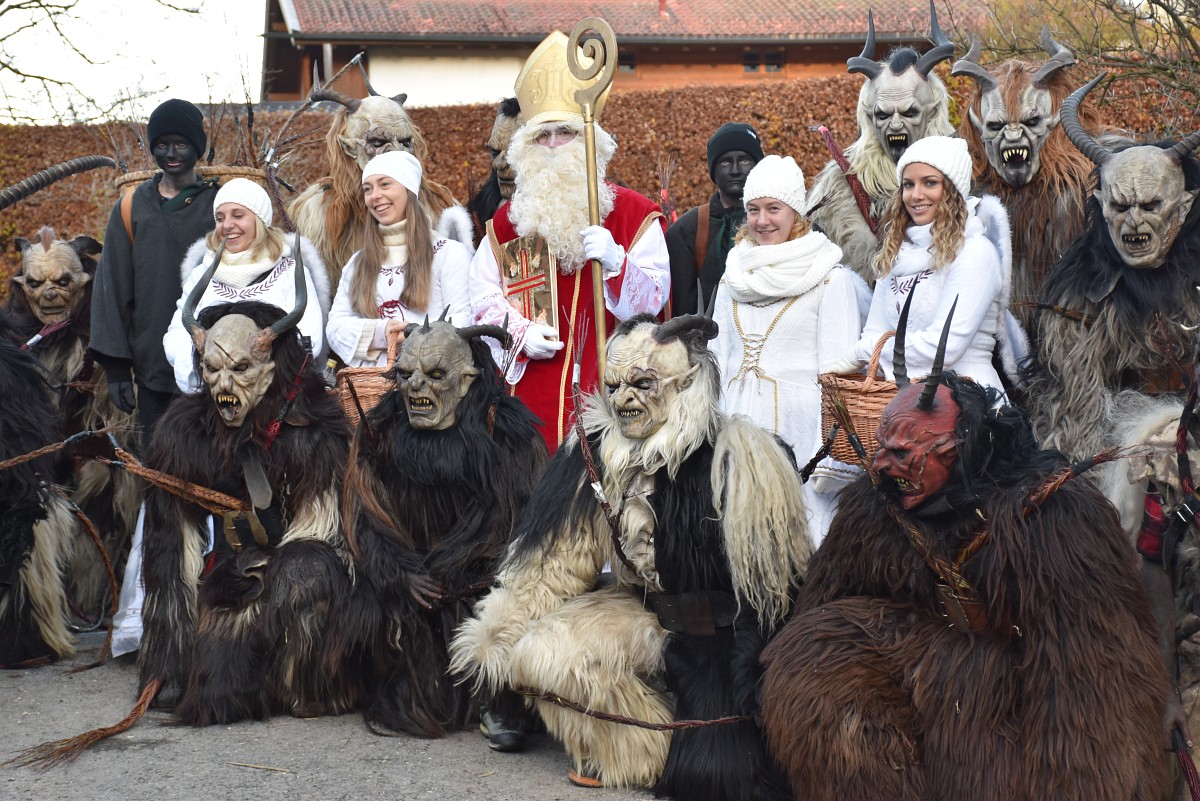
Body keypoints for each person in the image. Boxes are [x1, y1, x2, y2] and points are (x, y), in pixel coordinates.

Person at [759, 346, 1170, 801]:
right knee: (813, 651)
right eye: (881, 449)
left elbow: (1094, 679)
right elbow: (821, 604)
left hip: (1013, 707)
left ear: (961, 449)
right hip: (913, 692)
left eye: (903, 453)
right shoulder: (874, 512)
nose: (880, 466)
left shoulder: (1054, 522)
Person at [451, 314, 810, 798]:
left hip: (726, 637)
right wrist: (496, 651)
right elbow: (550, 566)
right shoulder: (593, 454)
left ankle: (685, 740)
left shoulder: (743, 458)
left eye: (642, 384)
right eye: (614, 386)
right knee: (543, 651)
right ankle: (642, 749)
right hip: (645, 612)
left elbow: (775, 593)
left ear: (685, 383)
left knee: (726, 767)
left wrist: (753, 684)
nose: (622, 400)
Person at [343, 318, 546, 743]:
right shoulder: (381, 434)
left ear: (467, 379)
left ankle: (500, 698)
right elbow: (365, 520)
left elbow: (521, 528)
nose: (416, 387)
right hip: (412, 585)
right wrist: (399, 573)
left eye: (435, 375)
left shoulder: (507, 436)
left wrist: (462, 571)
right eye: (405, 375)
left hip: (479, 581)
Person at [467, 30, 670, 451]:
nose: (554, 146)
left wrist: (617, 263)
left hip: (611, 401)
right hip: (527, 410)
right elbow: (482, 297)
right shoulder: (506, 223)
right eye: (542, 136)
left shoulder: (634, 215)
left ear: (590, 140)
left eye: (566, 133)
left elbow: (656, 303)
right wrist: (517, 334)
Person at [711, 155, 866, 544]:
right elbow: (716, 361)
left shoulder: (830, 279)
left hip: (801, 435)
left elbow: (839, 376)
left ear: (795, 212)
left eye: (773, 209)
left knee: (804, 545)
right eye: (753, 210)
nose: (762, 221)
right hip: (736, 429)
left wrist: (828, 455)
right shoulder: (733, 278)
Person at [832, 135, 1024, 396]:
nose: (916, 195)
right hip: (901, 399)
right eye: (908, 185)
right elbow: (875, 331)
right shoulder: (896, 253)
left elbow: (945, 347)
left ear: (953, 189)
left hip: (967, 399)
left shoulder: (975, 252)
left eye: (930, 183)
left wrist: (863, 351)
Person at [89, 98, 219, 441]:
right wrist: (117, 368)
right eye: (162, 145)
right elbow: (112, 286)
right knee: (157, 459)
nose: (171, 153)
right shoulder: (132, 206)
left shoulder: (219, 206)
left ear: (198, 147)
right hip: (151, 368)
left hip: (212, 366)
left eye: (182, 144)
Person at [163, 178, 331, 393]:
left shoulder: (290, 272)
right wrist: (206, 361)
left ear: (259, 220)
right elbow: (177, 334)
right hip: (212, 392)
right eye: (220, 218)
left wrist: (256, 364)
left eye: (238, 215)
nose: (227, 225)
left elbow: (309, 336)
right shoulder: (202, 275)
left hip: (275, 395)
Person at [326, 151, 472, 367]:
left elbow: (464, 320)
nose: (375, 195)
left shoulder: (449, 254)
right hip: (370, 384)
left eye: (385, 184)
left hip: (431, 380)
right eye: (368, 189)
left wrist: (412, 334)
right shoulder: (358, 263)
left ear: (408, 190)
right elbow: (335, 327)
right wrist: (382, 332)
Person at [666, 122, 763, 316]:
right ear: (713, 169)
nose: (735, 170)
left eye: (744, 160)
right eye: (725, 162)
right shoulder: (687, 231)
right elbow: (682, 312)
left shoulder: (779, 224)